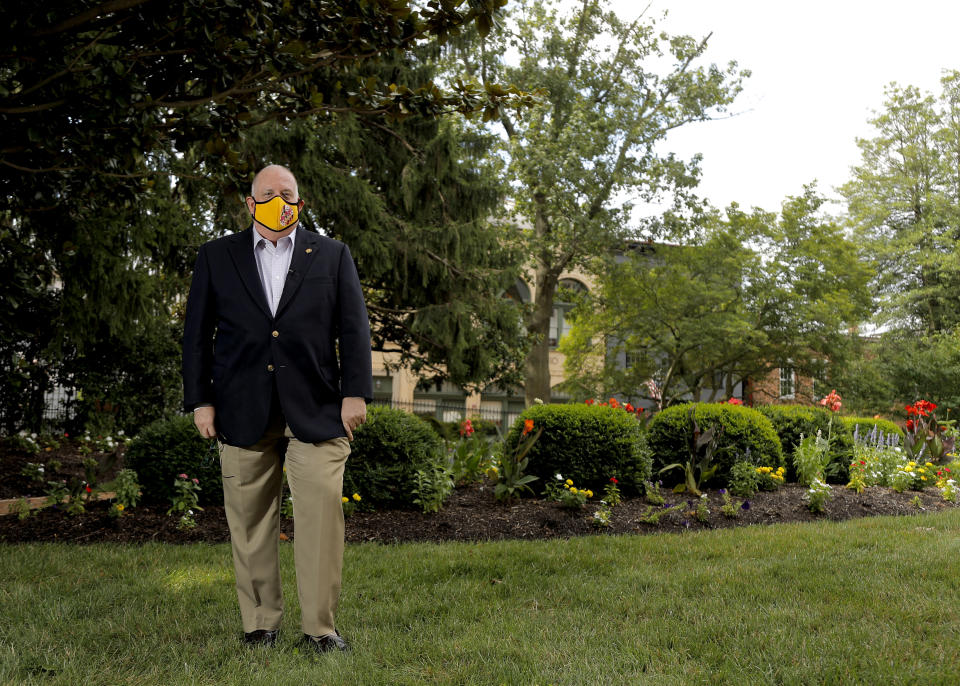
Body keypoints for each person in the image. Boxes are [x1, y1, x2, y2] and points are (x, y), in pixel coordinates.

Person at [182, 164, 372, 654]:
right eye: (267, 194)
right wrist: (200, 399)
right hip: (240, 409)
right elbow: (197, 336)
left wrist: (355, 393)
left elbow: (353, 330)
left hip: (316, 407)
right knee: (248, 523)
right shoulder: (216, 256)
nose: (277, 200)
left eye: (287, 193)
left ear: (300, 201)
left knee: (321, 519)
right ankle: (260, 623)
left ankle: (320, 630)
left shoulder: (332, 255)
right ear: (250, 204)